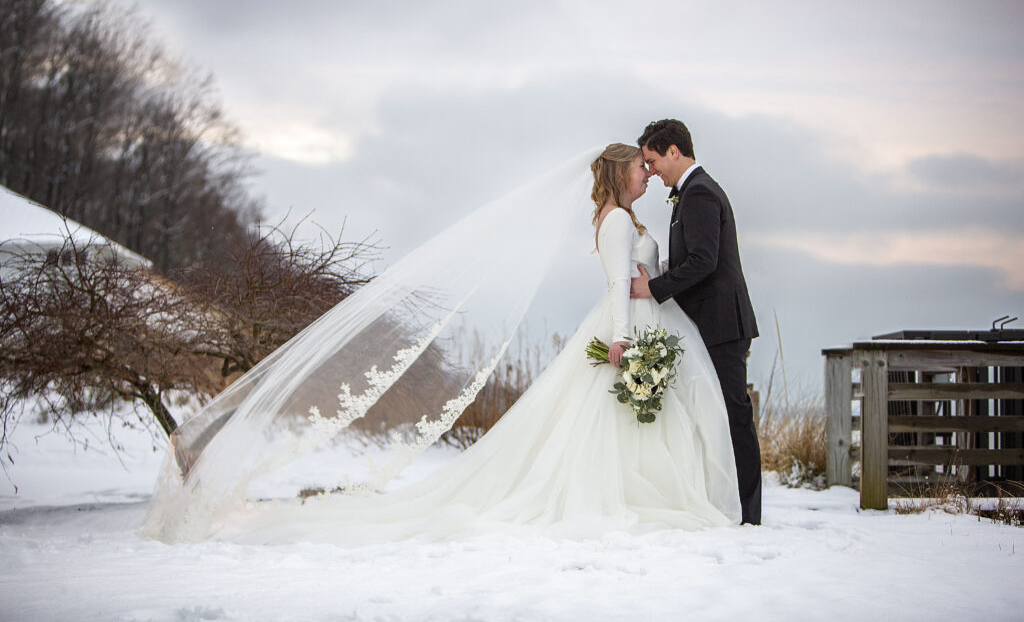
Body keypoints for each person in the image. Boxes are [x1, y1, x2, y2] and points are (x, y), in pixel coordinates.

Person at [205, 143, 741, 545]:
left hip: (647, 319)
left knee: (625, 421)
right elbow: (617, 286)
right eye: (640, 167)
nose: (647, 174)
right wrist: (622, 339)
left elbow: (638, 273)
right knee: (616, 419)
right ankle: (641, 492)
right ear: (621, 172)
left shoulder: (621, 216)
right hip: (628, 325)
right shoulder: (619, 219)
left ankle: (646, 487)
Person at [630, 119, 762, 525]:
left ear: (674, 151)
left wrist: (655, 288)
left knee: (734, 415)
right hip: (713, 321)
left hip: (722, 323)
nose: (651, 170)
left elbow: (704, 262)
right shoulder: (689, 193)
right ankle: (731, 504)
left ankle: (749, 513)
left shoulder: (700, 193)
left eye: (652, 161)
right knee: (719, 414)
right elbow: (698, 257)